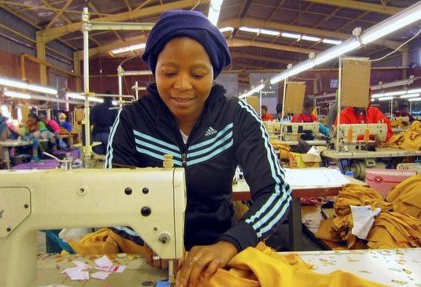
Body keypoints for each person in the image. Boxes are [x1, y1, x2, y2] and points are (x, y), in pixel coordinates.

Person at [105, 10, 291, 287]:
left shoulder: (236, 117)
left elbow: (276, 192)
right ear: (154, 70)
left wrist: (230, 243)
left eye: (197, 73)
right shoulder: (132, 120)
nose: (182, 85)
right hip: (149, 256)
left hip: (220, 255)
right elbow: (109, 199)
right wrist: (146, 238)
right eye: (169, 72)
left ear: (214, 73)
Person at [90, 90, 118, 155]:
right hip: (107, 133)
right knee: (108, 154)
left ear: (103, 98)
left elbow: (91, 121)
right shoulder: (114, 108)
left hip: (96, 132)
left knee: (97, 155)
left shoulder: (95, 108)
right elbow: (116, 122)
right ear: (112, 98)